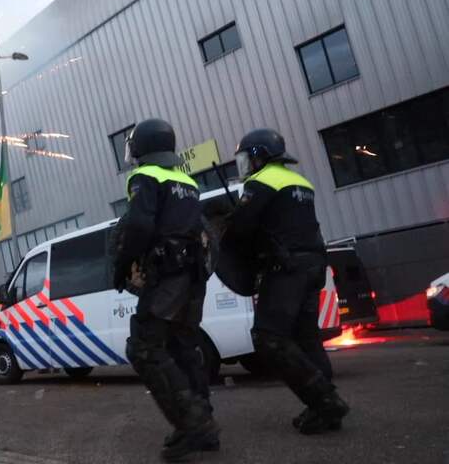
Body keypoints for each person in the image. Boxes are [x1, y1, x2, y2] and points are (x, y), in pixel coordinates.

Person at [226, 128, 349, 434]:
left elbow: (242, 229)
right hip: (313, 265)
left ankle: (324, 400)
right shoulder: (300, 182)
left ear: (259, 156)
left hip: (286, 269)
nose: (245, 166)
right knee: (307, 337)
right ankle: (324, 406)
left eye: (246, 159)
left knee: (269, 336)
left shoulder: (261, 182)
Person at [111, 118, 219, 461]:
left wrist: (120, 266)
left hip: (167, 279)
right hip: (193, 278)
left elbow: (140, 225)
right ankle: (203, 421)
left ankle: (195, 426)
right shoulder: (186, 180)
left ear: (142, 147)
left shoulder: (144, 176)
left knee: (144, 348)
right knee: (183, 347)